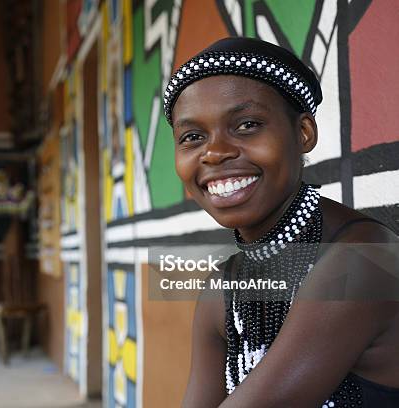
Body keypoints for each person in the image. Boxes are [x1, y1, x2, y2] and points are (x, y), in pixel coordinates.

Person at [163, 37, 399, 407]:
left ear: (303, 133)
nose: (215, 152)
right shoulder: (221, 289)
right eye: (192, 136)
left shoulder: (363, 259)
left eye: (246, 125)